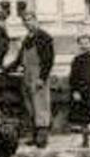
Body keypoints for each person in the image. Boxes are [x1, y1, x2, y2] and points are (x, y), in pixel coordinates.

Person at [4, 14, 56, 147]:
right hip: (27, 75)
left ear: (36, 20)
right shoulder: (28, 39)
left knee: (41, 106)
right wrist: (5, 70)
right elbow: (19, 60)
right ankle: (34, 135)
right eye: (25, 21)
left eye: (30, 20)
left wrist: (42, 78)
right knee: (30, 106)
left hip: (38, 75)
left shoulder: (44, 37)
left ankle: (42, 138)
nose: (28, 23)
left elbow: (48, 61)